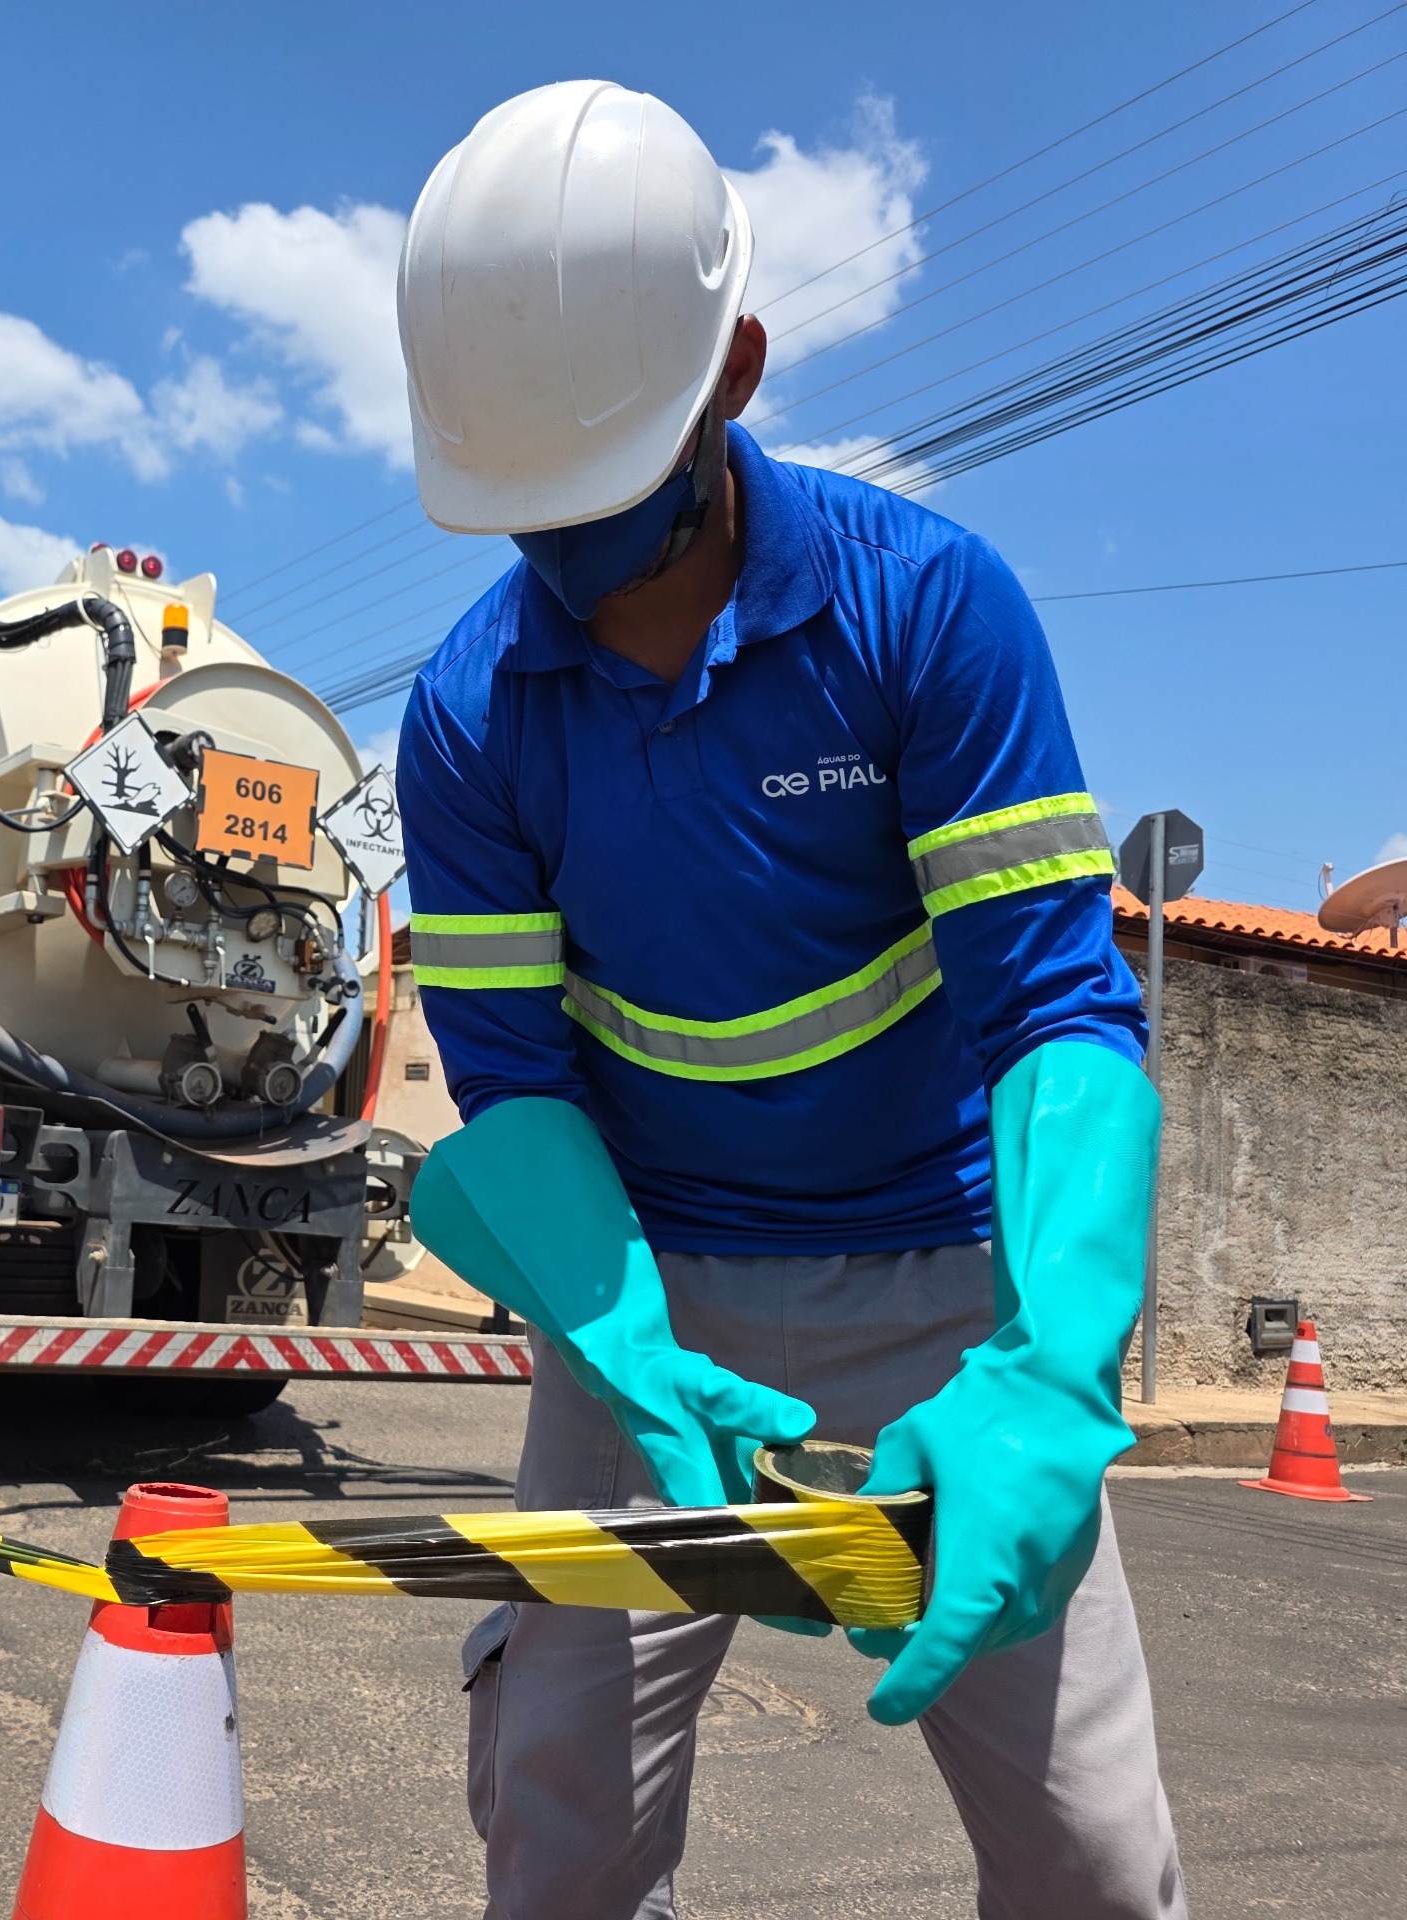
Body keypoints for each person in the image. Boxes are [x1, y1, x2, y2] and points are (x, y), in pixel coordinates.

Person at [393, 82, 1185, 1918]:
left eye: (605, 501)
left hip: (948, 1291)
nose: (571, 568)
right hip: (647, 1309)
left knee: (1095, 1863)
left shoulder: (928, 612)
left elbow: (1061, 1013)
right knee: (557, 1833)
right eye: (526, 517)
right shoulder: (469, 719)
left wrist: (1052, 1372)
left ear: (735, 370)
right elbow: (515, 1087)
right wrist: (629, 1351)